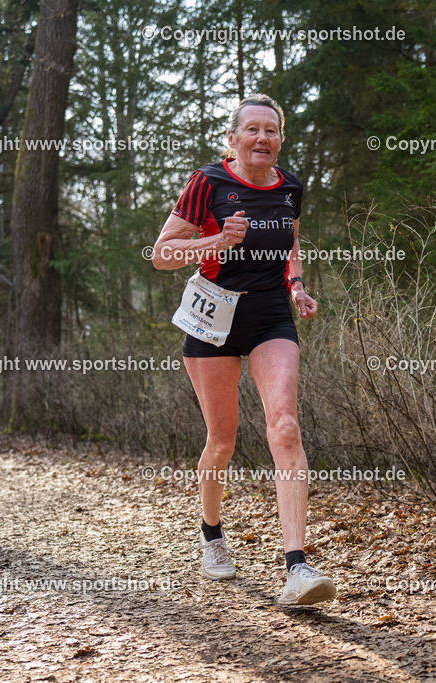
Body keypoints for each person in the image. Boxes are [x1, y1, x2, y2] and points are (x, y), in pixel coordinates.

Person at [152, 94, 335, 606]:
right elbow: (163, 254)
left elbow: (291, 239)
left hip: (271, 313)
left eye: (271, 131)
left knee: (286, 425)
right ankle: (212, 534)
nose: (262, 138)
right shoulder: (207, 182)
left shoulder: (291, 186)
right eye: (251, 129)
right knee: (222, 441)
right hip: (213, 316)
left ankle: (297, 567)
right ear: (232, 140)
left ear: (280, 140)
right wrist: (215, 243)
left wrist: (296, 284)